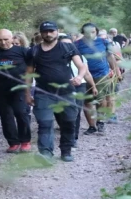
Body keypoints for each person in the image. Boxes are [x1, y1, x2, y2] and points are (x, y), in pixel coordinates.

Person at [26, 21, 87, 163]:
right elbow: (28, 74)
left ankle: (66, 151)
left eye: (51, 31)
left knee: (68, 122)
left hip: (66, 92)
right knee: (45, 123)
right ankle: (46, 154)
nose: (48, 34)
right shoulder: (34, 51)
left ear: (57, 31)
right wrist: (27, 93)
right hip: (43, 93)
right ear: (41, 33)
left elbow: (81, 66)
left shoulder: (67, 47)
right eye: (45, 31)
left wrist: (79, 77)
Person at [74, 23, 121, 135]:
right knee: (87, 101)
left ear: (96, 32)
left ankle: (100, 121)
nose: (90, 34)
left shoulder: (104, 42)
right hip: (85, 75)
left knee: (101, 99)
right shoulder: (77, 44)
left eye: (93, 31)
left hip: (102, 74)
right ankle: (91, 126)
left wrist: (116, 71)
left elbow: (110, 57)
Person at [58, 34, 98, 148]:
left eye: (69, 43)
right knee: (63, 112)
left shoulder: (79, 56)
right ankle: (66, 132)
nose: (67, 46)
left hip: (79, 85)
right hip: (63, 86)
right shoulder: (55, 57)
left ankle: (73, 137)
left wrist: (93, 86)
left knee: (76, 110)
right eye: (64, 44)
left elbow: (87, 73)